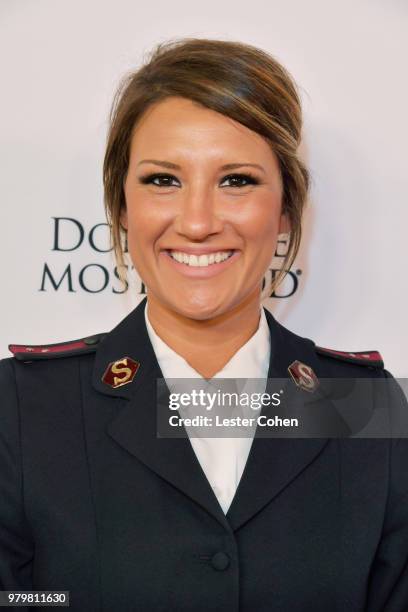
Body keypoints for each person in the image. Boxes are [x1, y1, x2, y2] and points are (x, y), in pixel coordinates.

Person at [1, 37, 407, 612]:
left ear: (287, 206)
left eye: (236, 180)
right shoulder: (21, 405)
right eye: (163, 180)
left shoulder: (362, 405)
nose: (196, 223)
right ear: (121, 206)